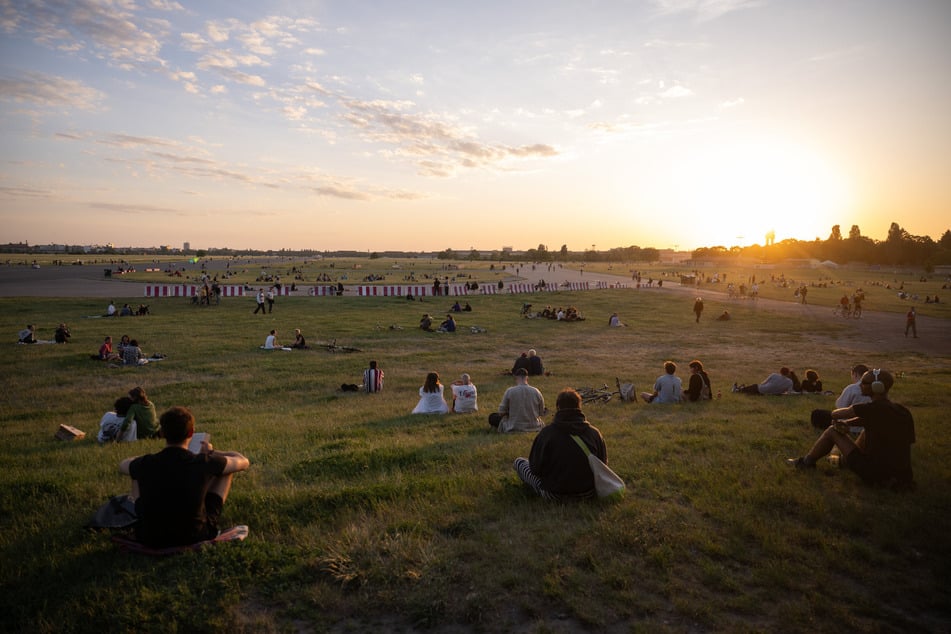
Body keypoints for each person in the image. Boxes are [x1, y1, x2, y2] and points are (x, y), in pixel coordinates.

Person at [119, 406, 250, 548]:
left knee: (136, 473)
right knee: (226, 469)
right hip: (195, 536)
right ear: (191, 432)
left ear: (162, 433)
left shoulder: (147, 462)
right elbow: (242, 461)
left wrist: (150, 458)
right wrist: (212, 453)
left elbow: (124, 464)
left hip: (149, 536)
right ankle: (205, 517)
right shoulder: (204, 461)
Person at [787, 370, 915, 490]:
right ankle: (845, 462)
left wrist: (832, 417)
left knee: (832, 431)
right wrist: (848, 423)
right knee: (866, 431)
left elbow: (837, 414)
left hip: (876, 476)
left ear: (877, 387)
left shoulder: (870, 409)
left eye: (864, 383)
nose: (860, 385)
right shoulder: (901, 410)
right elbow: (871, 421)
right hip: (902, 478)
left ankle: (806, 462)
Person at [513, 388, 608, 500]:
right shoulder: (594, 433)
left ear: (558, 407)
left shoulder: (546, 433)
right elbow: (603, 464)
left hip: (554, 493)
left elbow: (535, 468)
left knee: (519, 462)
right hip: (588, 492)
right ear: (579, 406)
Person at [810, 364, 870, 429]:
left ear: (855, 374)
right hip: (867, 424)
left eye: (852, 376)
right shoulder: (874, 389)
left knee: (816, 413)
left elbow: (840, 406)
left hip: (848, 424)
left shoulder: (852, 388)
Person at [489, 368, 545, 432]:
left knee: (492, 417)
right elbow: (541, 413)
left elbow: (501, 412)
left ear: (516, 377)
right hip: (534, 426)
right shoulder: (536, 391)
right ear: (527, 378)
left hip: (513, 426)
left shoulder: (510, 391)